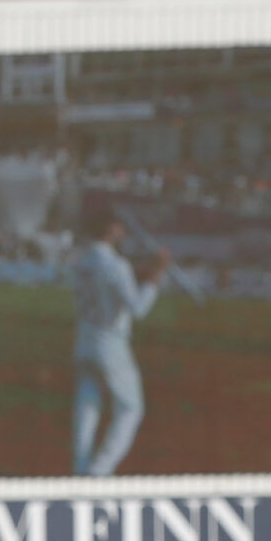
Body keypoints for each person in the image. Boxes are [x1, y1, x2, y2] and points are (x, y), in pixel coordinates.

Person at [70, 202, 168, 477]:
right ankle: (100, 471)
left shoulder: (81, 260)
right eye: (119, 226)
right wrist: (156, 276)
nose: (124, 230)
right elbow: (138, 309)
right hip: (110, 343)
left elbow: (111, 285)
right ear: (111, 229)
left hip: (84, 339)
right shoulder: (115, 264)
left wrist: (143, 272)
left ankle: (80, 468)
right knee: (130, 409)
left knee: (87, 405)